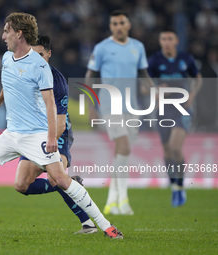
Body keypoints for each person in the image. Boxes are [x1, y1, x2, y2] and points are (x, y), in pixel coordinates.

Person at [0, 12, 123, 239]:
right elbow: (9, 81)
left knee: (61, 180)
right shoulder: (7, 58)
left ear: (19, 33)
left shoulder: (39, 66)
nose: (3, 35)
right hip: (12, 134)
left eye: (7, 31)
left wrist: (52, 137)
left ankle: (107, 227)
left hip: (37, 136)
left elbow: (50, 103)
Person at [14, 35, 97, 234]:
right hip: (34, 135)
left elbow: (60, 121)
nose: (36, 59)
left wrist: (50, 140)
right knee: (21, 185)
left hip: (57, 133)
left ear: (49, 54)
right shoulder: (23, 76)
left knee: (55, 179)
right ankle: (70, 183)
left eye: (40, 54)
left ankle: (88, 224)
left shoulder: (57, 80)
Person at [86, 10, 153, 215]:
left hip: (131, 107)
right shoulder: (102, 48)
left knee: (121, 154)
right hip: (109, 105)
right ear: (111, 26)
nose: (118, 26)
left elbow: (143, 74)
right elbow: (90, 77)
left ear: (128, 25)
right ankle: (123, 199)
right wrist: (90, 106)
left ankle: (112, 201)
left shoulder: (137, 47)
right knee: (123, 147)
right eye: (114, 23)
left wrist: (152, 89)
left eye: (121, 23)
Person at [148, 28, 202, 207]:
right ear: (160, 41)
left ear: (176, 41)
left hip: (182, 109)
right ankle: (174, 187)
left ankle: (180, 187)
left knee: (175, 147)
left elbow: (198, 78)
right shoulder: (155, 61)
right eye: (163, 39)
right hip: (163, 110)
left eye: (170, 38)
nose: (167, 42)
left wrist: (192, 95)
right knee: (167, 151)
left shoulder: (186, 60)